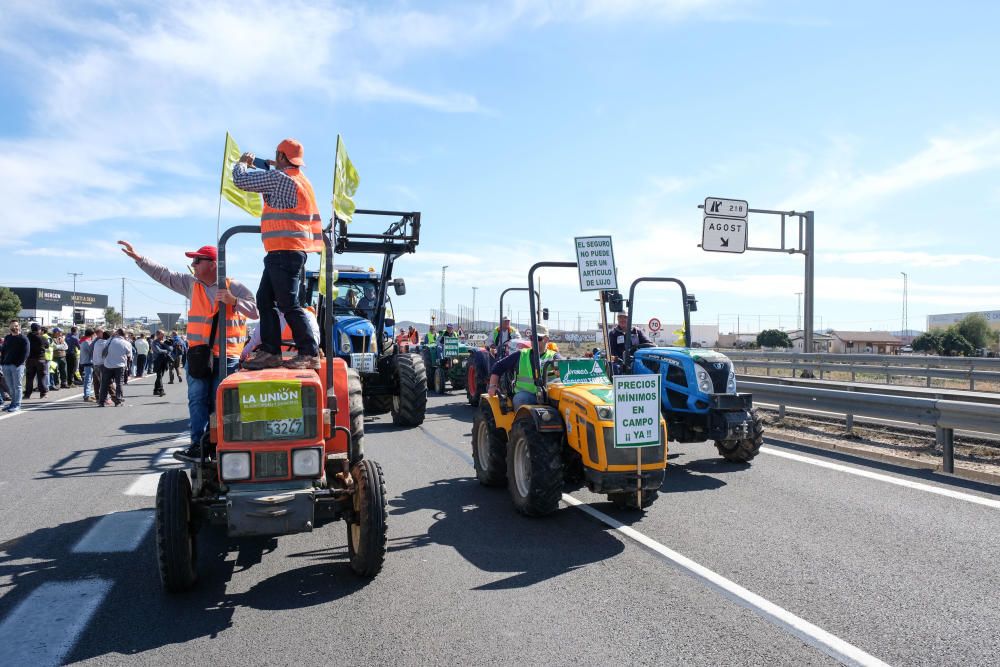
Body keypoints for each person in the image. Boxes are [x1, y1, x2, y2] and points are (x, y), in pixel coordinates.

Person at [118, 240, 258, 460]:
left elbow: (255, 312)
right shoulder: (191, 284)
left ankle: (222, 445)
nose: (193, 264)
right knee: (197, 399)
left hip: (227, 357)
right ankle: (198, 446)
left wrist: (234, 301)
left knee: (220, 401)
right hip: (199, 355)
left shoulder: (235, 286)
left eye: (197, 260)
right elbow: (164, 274)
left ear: (213, 264)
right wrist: (139, 259)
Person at [233, 139, 322, 370]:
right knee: (264, 299)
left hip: (284, 249)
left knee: (289, 304)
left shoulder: (279, 178)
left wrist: (242, 163)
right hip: (286, 250)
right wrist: (271, 166)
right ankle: (271, 351)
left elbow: (240, 180)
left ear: (281, 157)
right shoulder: (300, 180)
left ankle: (309, 352)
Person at [487, 326, 558, 410]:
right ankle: (520, 422)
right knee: (521, 399)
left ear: (546, 339)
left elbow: (565, 367)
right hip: (526, 395)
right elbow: (498, 366)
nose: (533, 341)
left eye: (537, 338)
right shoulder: (521, 354)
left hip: (548, 395)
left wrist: (560, 371)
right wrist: (492, 386)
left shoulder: (554, 356)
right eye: (532, 338)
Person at [2, 321, 29, 413]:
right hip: (6, 365)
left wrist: (17, 364)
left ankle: (17, 405)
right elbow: (4, 351)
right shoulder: (8, 337)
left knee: (17, 386)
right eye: (13, 326)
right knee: (10, 386)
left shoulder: (23, 338)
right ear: (9, 327)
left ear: (19, 327)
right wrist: (2, 363)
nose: (15, 327)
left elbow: (26, 353)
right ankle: (12, 404)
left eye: (17, 326)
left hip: (17, 366)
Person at [99, 329, 131, 407]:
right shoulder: (127, 343)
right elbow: (129, 355)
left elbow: (105, 348)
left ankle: (102, 401)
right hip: (120, 365)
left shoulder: (110, 340)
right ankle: (118, 401)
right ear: (124, 335)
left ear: (116, 333)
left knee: (104, 383)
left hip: (108, 365)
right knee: (119, 383)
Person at [23, 323, 49, 400]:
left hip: (30, 359)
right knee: (41, 377)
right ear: (38, 329)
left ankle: (27, 394)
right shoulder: (42, 338)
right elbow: (47, 346)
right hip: (40, 359)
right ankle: (43, 393)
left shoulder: (27, 337)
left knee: (29, 378)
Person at [151, 330, 172, 397]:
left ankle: (155, 390)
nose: (163, 335)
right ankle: (161, 390)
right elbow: (158, 351)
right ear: (158, 335)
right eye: (162, 334)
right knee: (159, 375)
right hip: (157, 360)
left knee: (160, 376)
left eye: (163, 334)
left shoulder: (164, 341)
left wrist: (164, 344)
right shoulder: (154, 342)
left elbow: (171, 348)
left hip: (164, 360)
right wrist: (166, 351)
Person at [78, 328, 96, 402]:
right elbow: (92, 351)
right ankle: (86, 396)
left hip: (85, 361)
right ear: (92, 334)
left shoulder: (83, 340)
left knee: (89, 380)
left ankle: (88, 394)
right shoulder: (87, 342)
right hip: (88, 362)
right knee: (88, 380)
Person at [90, 327, 106, 400]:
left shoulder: (96, 341)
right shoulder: (98, 341)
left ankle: (98, 397)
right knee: (100, 381)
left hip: (96, 362)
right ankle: (101, 398)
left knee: (97, 381)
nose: (104, 333)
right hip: (99, 363)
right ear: (99, 333)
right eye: (102, 332)